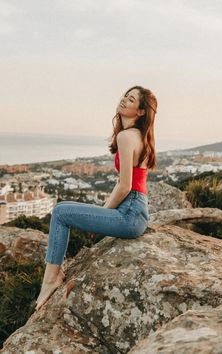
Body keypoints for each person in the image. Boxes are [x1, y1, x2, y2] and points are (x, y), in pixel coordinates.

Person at [35, 85, 158, 311]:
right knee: (63, 208)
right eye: (125, 96)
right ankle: (53, 275)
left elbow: (124, 186)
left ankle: (52, 278)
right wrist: (104, 212)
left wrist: (104, 216)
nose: (123, 100)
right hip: (136, 211)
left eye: (131, 100)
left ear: (141, 111)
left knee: (61, 213)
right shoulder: (140, 136)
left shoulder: (126, 136)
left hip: (129, 214)